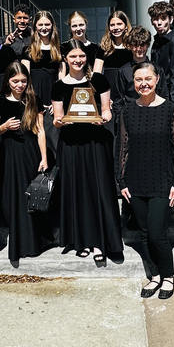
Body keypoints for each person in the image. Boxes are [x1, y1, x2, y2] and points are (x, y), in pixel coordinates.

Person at [117, 62, 174, 300]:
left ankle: (168, 276)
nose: (143, 84)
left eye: (147, 79)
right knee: (144, 232)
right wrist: (121, 181)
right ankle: (154, 275)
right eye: (138, 79)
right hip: (135, 181)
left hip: (162, 181)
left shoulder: (170, 109)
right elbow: (123, 146)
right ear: (133, 82)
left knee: (157, 232)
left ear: (156, 80)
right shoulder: (127, 110)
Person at [52, 40, 122, 265]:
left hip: (95, 144)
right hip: (71, 146)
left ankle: (102, 242)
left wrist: (104, 118)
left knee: (98, 190)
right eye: (73, 57)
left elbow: (107, 111)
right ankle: (81, 240)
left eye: (81, 56)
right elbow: (57, 118)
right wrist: (60, 122)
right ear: (66, 59)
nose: (77, 60)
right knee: (76, 191)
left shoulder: (98, 80)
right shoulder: (59, 86)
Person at [0, 62, 53, 265]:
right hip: (9, 155)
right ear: (7, 81)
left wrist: (44, 158)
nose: (19, 85)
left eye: (23, 81)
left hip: (29, 153)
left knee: (31, 198)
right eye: (15, 81)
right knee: (13, 199)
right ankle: (18, 242)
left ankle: (33, 242)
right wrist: (4, 127)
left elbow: (41, 131)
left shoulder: (33, 100)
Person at [22, 10, 62, 111]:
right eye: (40, 24)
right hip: (34, 94)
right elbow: (25, 76)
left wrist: (58, 99)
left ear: (52, 26)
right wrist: (31, 98)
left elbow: (61, 77)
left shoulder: (59, 49)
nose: (44, 28)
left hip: (53, 93)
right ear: (35, 26)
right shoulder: (27, 50)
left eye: (47, 24)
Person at [147, 1, 174, 99]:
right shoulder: (156, 41)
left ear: (171, 19)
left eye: (163, 18)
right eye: (155, 19)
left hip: (170, 95)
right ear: (152, 21)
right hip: (157, 93)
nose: (159, 23)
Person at [100, 10, 133, 97]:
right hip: (109, 92)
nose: (115, 28)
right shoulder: (104, 48)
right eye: (112, 25)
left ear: (126, 26)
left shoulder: (133, 46)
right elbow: (97, 74)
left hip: (130, 92)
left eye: (119, 24)